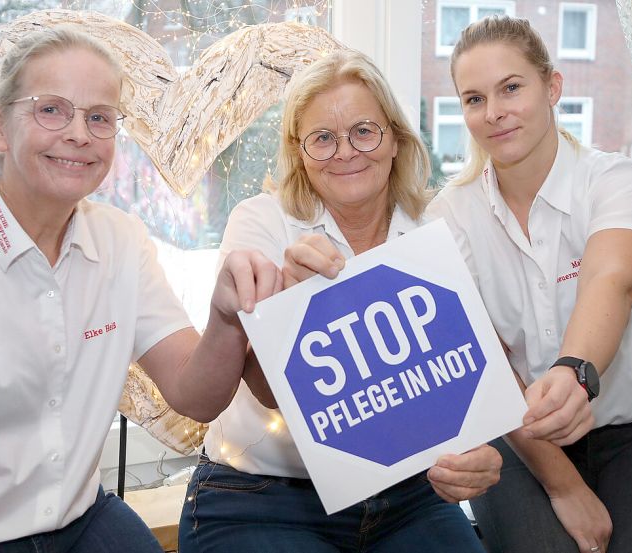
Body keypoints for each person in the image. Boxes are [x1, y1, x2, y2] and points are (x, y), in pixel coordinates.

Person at [0, 26, 280, 553]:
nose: (79, 133)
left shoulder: (122, 242)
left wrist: (225, 317)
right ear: (0, 127)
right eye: (51, 110)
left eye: (99, 117)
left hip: (75, 519)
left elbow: (194, 397)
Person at [178, 49, 508, 553]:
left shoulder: (437, 232)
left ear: (395, 138)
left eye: (363, 131)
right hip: (262, 494)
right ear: (299, 152)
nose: (345, 152)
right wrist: (291, 308)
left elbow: (452, 375)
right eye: (323, 138)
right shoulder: (262, 223)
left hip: (406, 497)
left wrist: (474, 453)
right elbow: (267, 392)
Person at [428, 15, 632, 553]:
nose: (494, 112)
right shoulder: (448, 219)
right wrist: (564, 486)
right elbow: (488, 364)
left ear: (552, 87)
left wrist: (574, 373)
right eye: (474, 99)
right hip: (521, 439)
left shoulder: (617, 182)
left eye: (512, 88)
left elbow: (612, 281)